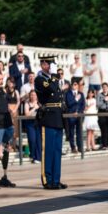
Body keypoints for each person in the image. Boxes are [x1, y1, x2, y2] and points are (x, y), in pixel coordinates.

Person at [35, 56, 67, 190]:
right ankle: (47, 179)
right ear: (43, 64)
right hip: (48, 117)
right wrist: (54, 76)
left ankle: (56, 179)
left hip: (58, 117)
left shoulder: (52, 79)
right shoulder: (40, 79)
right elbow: (51, 90)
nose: (52, 66)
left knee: (56, 151)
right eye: (49, 64)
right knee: (47, 150)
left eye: (52, 64)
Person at [0, 73, 16, 188]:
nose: (1, 81)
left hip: (7, 124)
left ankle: (4, 177)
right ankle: (0, 146)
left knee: (5, 152)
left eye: (1, 79)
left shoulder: (3, 92)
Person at [65, 78, 85, 154]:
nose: (74, 86)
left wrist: (78, 112)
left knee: (79, 132)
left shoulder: (81, 93)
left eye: (76, 84)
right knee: (71, 132)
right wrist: (75, 100)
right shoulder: (68, 93)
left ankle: (80, 147)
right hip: (71, 115)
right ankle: (73, 147)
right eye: (73, 84)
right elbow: (69, 104)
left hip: (79, 115)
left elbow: (83, 105)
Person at [24, 90, 41, 164]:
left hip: (38, 123)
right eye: (31, 95)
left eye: (34, 95)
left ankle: (38, 157)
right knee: (32, 140)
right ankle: (33, 155)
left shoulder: (39, 103)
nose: (33, 96)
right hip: (30, 124)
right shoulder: (27, 103)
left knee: (38, 141)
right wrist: (34, 108)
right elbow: (27, 114)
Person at [5, 78, 20, 151]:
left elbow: (18, 101)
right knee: (9, 127)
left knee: (15, 128)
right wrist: (9, 108)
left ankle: (14, 145)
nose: (10, 84)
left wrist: (14, 109)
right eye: (9, 82)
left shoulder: (16, 91)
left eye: (11, 82)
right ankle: (9, 145)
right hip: (7, 110)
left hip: (15, 110)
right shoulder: (5, 91)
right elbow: (4, 101)